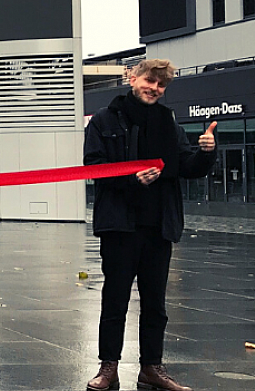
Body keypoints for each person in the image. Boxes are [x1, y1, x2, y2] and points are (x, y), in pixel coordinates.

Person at [84, 59, 216, 391]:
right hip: (120, 226)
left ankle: (151, 368)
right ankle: (108, 368)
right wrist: (132, 178)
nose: (154, 88)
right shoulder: (103, 120)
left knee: (155, 303)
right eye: (149, 81)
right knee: (115, 300)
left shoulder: (169, 123)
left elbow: (186, 166)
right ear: (133, 78)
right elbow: (94, 167)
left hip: (159, 225)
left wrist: (206, 153)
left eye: (161, 85)